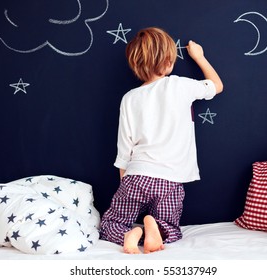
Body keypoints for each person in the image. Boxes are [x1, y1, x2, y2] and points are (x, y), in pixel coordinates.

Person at [99, 27, 223, 254]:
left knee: (109, 226)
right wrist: (199, 57)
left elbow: (124, 149)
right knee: (172, 229)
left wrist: (125, 186)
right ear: (168, 60)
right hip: (170, 179)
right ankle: (154, 228)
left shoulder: (129, 98)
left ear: (136, 64)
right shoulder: (180, 85)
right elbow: (217, 85)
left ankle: (130, 233)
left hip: (136, 175)